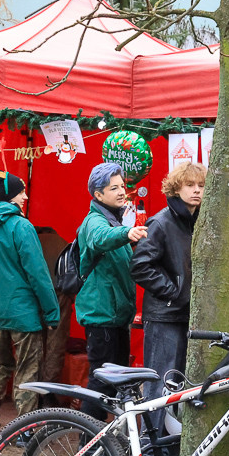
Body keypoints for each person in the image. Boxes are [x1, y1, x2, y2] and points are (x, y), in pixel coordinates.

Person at [0, 169, 60, 440]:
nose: (25, 197)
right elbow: (38, 273)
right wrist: (51, 311)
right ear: (11, 196)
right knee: (27, 368)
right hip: (24, 314)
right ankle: (25, 428)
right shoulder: (22, 226)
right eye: (21, 192)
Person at [130, 162, 204, 428]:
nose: (196, 190)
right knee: (159, 384)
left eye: (201, 185)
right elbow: (140, 266)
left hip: (188, 315)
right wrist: (173, 292)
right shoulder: (161, 222)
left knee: (181, 385)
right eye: (190, 185)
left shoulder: (200, 222)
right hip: (165, 315)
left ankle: (169, 445)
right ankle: (149, 446)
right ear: (176, 188)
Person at [75, 162, 147, 421]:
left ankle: (106, 437)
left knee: (117, 381)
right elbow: (101, 238)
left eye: (122, 186)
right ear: (98, 194)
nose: (122, 192)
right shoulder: (95, 221)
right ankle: (88, 437)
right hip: (102, 317)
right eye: (113, 188)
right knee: (102, 381)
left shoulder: (114, 220)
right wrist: (128, 232)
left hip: (115, 317)